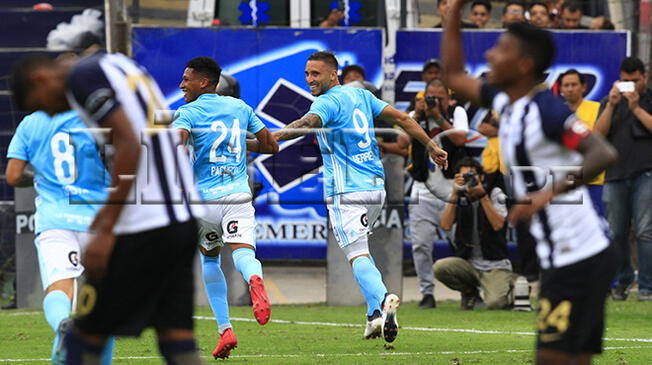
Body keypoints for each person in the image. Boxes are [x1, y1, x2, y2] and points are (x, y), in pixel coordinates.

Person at [441, 1, 619, 363]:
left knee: (550, 358)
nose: (491, 53)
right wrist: (453, 14)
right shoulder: (508, 103)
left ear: (523, 65)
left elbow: (601, 153)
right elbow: (454, 75)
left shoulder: (548, 111)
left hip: (579, 256)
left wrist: (546, 194)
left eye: (502, 48)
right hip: (574, 255)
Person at [9, 50, 206, 365]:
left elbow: (128, 142)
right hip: (180, 218)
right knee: (176, 339)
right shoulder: (117, 65)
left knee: (82, 338)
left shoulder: (82, 78)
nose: (50, 113)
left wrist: (106, 227)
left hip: (143, 224)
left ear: (41, 78)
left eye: (42, 106)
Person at [273, 51, 448, 342]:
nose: (309, 79)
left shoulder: (326, 101)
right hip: (376, 188)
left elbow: (307, 123)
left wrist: (272, 137)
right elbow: (403, 118)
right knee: (362, 249)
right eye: (307, 74)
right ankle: (372, 317)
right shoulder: (361, 95)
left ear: (333, 74)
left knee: (356, 254)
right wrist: (431, 145)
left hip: (347, 190)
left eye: (315, 74)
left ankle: (383, 300)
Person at [172, 56, 278, 359]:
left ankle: (225, 329)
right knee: (244, 254)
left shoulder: (188, 112)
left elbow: (176, 145)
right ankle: (255, 280)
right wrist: (240, 143)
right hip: (237, 196)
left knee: (209, 261)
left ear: (203, 82)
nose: (182, 85)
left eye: (186, 79)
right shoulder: (240, 109)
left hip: (203, 201)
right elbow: (271, 146)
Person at [5, 110, 115, 364]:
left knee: (60, 289)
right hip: (96, 218)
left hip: (54, 220)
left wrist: (42, 175)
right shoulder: (94, 117)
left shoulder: (30, 123)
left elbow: (13, 175)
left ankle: (64, 325)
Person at [594, 57, 652, 302]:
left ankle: (647, 287)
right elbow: (597, 135)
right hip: (615, 174)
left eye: (635, 81)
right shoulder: (610, 101)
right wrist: (611, 106)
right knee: (616, 233)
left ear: (644, 78)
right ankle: (621, 282)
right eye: (625, 81)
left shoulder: (649, 100)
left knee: (644, 232)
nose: (630, 85)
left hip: (646, 173)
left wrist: (636, 108)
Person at [408, 79, 469, 309]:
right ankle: (427, 292)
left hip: (450, 188)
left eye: (439, 97)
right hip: (422, 189)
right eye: (430, 97)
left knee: (460, 242)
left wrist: (438, 117)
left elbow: (461, 139)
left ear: (448, 97)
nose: (434, 101)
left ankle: (468, 290)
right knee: (420, 245)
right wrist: (419, 115)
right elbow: (405, 139)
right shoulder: (416, 114)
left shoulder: (457, 112)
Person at [435, 157, 512, 310]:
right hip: (469, 264)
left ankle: (513, 284)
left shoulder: (495, 193)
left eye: (472, 176)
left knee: (496, 303)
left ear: (482, 177)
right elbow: (445, 225)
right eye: (464, 177)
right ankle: (470, 293)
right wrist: (454, 194)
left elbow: (498, 225)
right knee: (440, 267)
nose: (468, 180)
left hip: (494, 265)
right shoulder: (457, 196)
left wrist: (483, 196)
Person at [559, 69, 604, 217]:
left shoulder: (597, 108)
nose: (570, 89)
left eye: (574, 84)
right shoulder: (556, 113)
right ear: (561, 89)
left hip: (594, 178)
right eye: (566, 85)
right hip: (565, 180)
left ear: (583, 87)